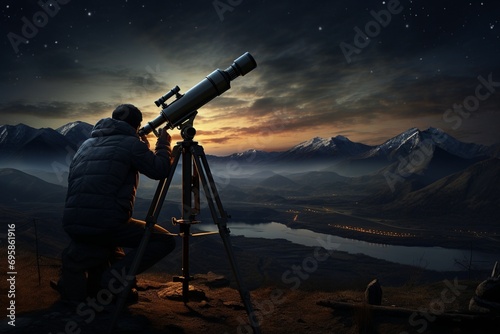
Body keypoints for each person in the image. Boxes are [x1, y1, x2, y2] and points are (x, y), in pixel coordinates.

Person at [55, 104, 176, 303]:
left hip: (73, 223)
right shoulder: (131, 144)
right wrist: (163, 145)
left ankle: (101, 288)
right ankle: (112, 278)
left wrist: (140, 147)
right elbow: (160, 170)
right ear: (136, 126)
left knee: (109, 247)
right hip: (106, 224)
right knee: (164, 240)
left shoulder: (86, 145)